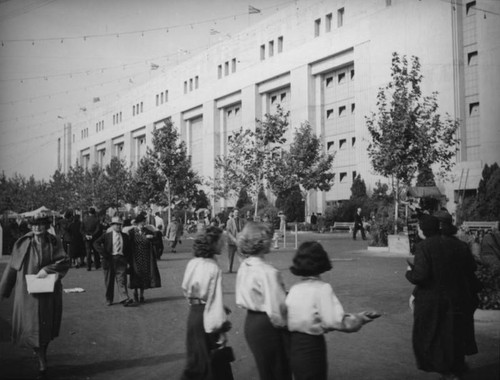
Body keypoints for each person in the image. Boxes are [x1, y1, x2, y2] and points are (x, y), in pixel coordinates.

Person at [286, 241, 378, 380]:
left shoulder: (294, 289)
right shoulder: (322, 288)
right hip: (312, 346)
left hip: (294, 345)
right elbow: (335, 321)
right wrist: (360, 319)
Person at [406, 214, 480, 379]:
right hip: (459, 298)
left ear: (424, 229)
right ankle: (457, 367)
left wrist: (409, 273)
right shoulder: (459, 245)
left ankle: (447, 371)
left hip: (434, 300)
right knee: (455, 334)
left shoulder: (424, 246)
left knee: (435, 336)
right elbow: (471, 267)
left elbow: (421, 276)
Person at [0, 214, 70, 380]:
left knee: (45, 329)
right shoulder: (24, 243)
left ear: (46, 226)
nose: (37, 228)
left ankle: (42, 356)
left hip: (48, 292)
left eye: (41, 225)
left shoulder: (54, 241)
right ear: (30, 226)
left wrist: (48, 270)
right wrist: (3, 291)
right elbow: (12, 267)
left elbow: (64, 261)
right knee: (33, 328)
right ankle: (41, 361)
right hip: (28, 293)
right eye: (34, 225)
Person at [235, 222, 291, 380]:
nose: (272, 241)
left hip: (251, 322)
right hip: (268, 325)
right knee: (279, 370)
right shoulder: (268, 272)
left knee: (266, 370)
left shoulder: (245, 265)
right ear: (261, 242)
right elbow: (277, 310)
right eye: (269, 238)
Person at [181, 226, 233, 380]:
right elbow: (213, 300)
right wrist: (220, 331)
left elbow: (186, 289)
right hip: (207, 318)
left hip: (194, 315)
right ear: (212, 243)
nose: (223, 244)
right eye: (220, 241)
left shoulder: (193, 263)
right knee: (214, 367)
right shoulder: (213, 267)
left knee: (196, 362)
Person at [93, 216, 134, 307]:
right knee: (109, 281)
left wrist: (128, 261)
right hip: (109, 260)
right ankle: (109, 299)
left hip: (121, 260)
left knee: (122, 280)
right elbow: (96, 243)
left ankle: (124, 298)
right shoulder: (107, 236)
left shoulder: (125, 236)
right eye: (116, 225)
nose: (118, 227)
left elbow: (129, 250)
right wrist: (104, 253)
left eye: (120, 225)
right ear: (112, 226)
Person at [127, 213, 162, 303]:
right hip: (135, 257)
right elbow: (128, 246)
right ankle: (135, 292)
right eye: (142, 222)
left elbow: (157, 241)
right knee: (135, 275)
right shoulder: (132, 233)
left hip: (146, 257)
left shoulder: (148, 231)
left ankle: (142, 294)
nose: (143, 223)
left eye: (144, 222)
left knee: (144, 276)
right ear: (137, 223)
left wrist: (152, 238)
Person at [225, 209, 244, 273]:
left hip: (239, 241)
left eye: (238, 212)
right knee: (230, 257)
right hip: (231, 242)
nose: (237, 214)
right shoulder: (229, 221)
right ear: (233, 213)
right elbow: (228, 232)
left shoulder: (241, 221)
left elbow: (243, 230)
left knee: (241, 256)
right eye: (235, 212)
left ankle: (243, 269)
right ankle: (229, 269)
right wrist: (233, 239)